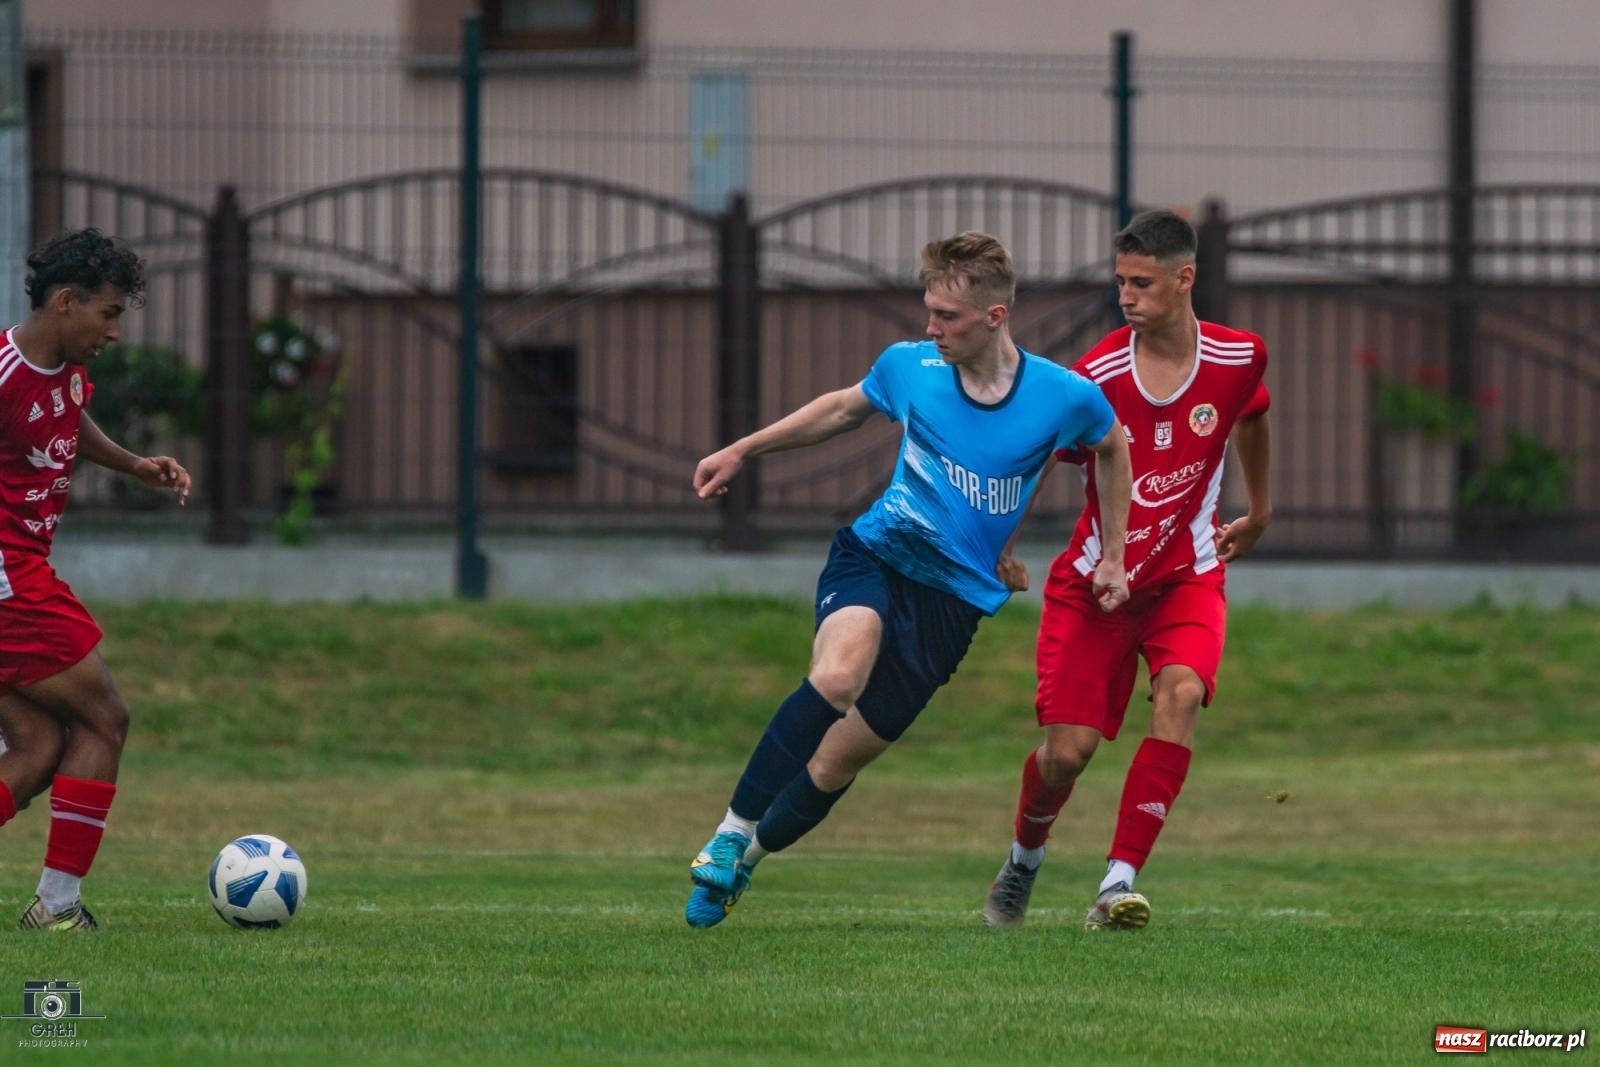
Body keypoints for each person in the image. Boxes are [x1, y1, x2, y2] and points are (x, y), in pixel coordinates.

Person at [684, 231, 1133, 928]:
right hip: (876, 557)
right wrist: (744, 449)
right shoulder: (910, 366)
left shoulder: (1062, 395)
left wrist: (1114, 554)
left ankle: (747, 860)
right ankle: (728, 833)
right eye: (929, 311)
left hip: (952, 606)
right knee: (838, 675)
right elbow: (842, 409)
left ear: (994, 316)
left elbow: (1112, 445)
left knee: (835, 765)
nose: (931, 327)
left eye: (947, 316)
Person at [982, 209, 1272, 932]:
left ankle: (1117, 884)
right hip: (1094, 587)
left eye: (1141, 282)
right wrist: (1003, 545)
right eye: (1120, 282)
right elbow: (1041, 457)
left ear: (1185, 279)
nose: (1126, 296)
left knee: (1182, 694)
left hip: (1187, 578)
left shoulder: (1239, 356)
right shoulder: (1098, 375)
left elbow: (1253, 413)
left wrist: (1261, 511)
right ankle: (1024, 856)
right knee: (1067, 754)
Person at [0, 228, 192, 931]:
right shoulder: (4, 373)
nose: (114, 331)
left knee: (38, 746)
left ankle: (56, 907)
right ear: (65, 302)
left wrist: (132, 463)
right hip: (8, 579)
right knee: (105, 718)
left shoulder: (68, 370)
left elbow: (68, 420)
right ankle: (58, 909)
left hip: (22, 572)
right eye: (108, 314)